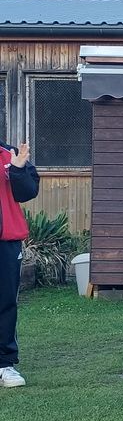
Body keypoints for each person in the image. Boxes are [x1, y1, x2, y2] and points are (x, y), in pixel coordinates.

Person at [1, 140, 38, 388]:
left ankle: (5, 364)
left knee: (5, 303)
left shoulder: (10, 154)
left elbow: (27, 192)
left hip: (6, 242)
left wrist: (16, 169)